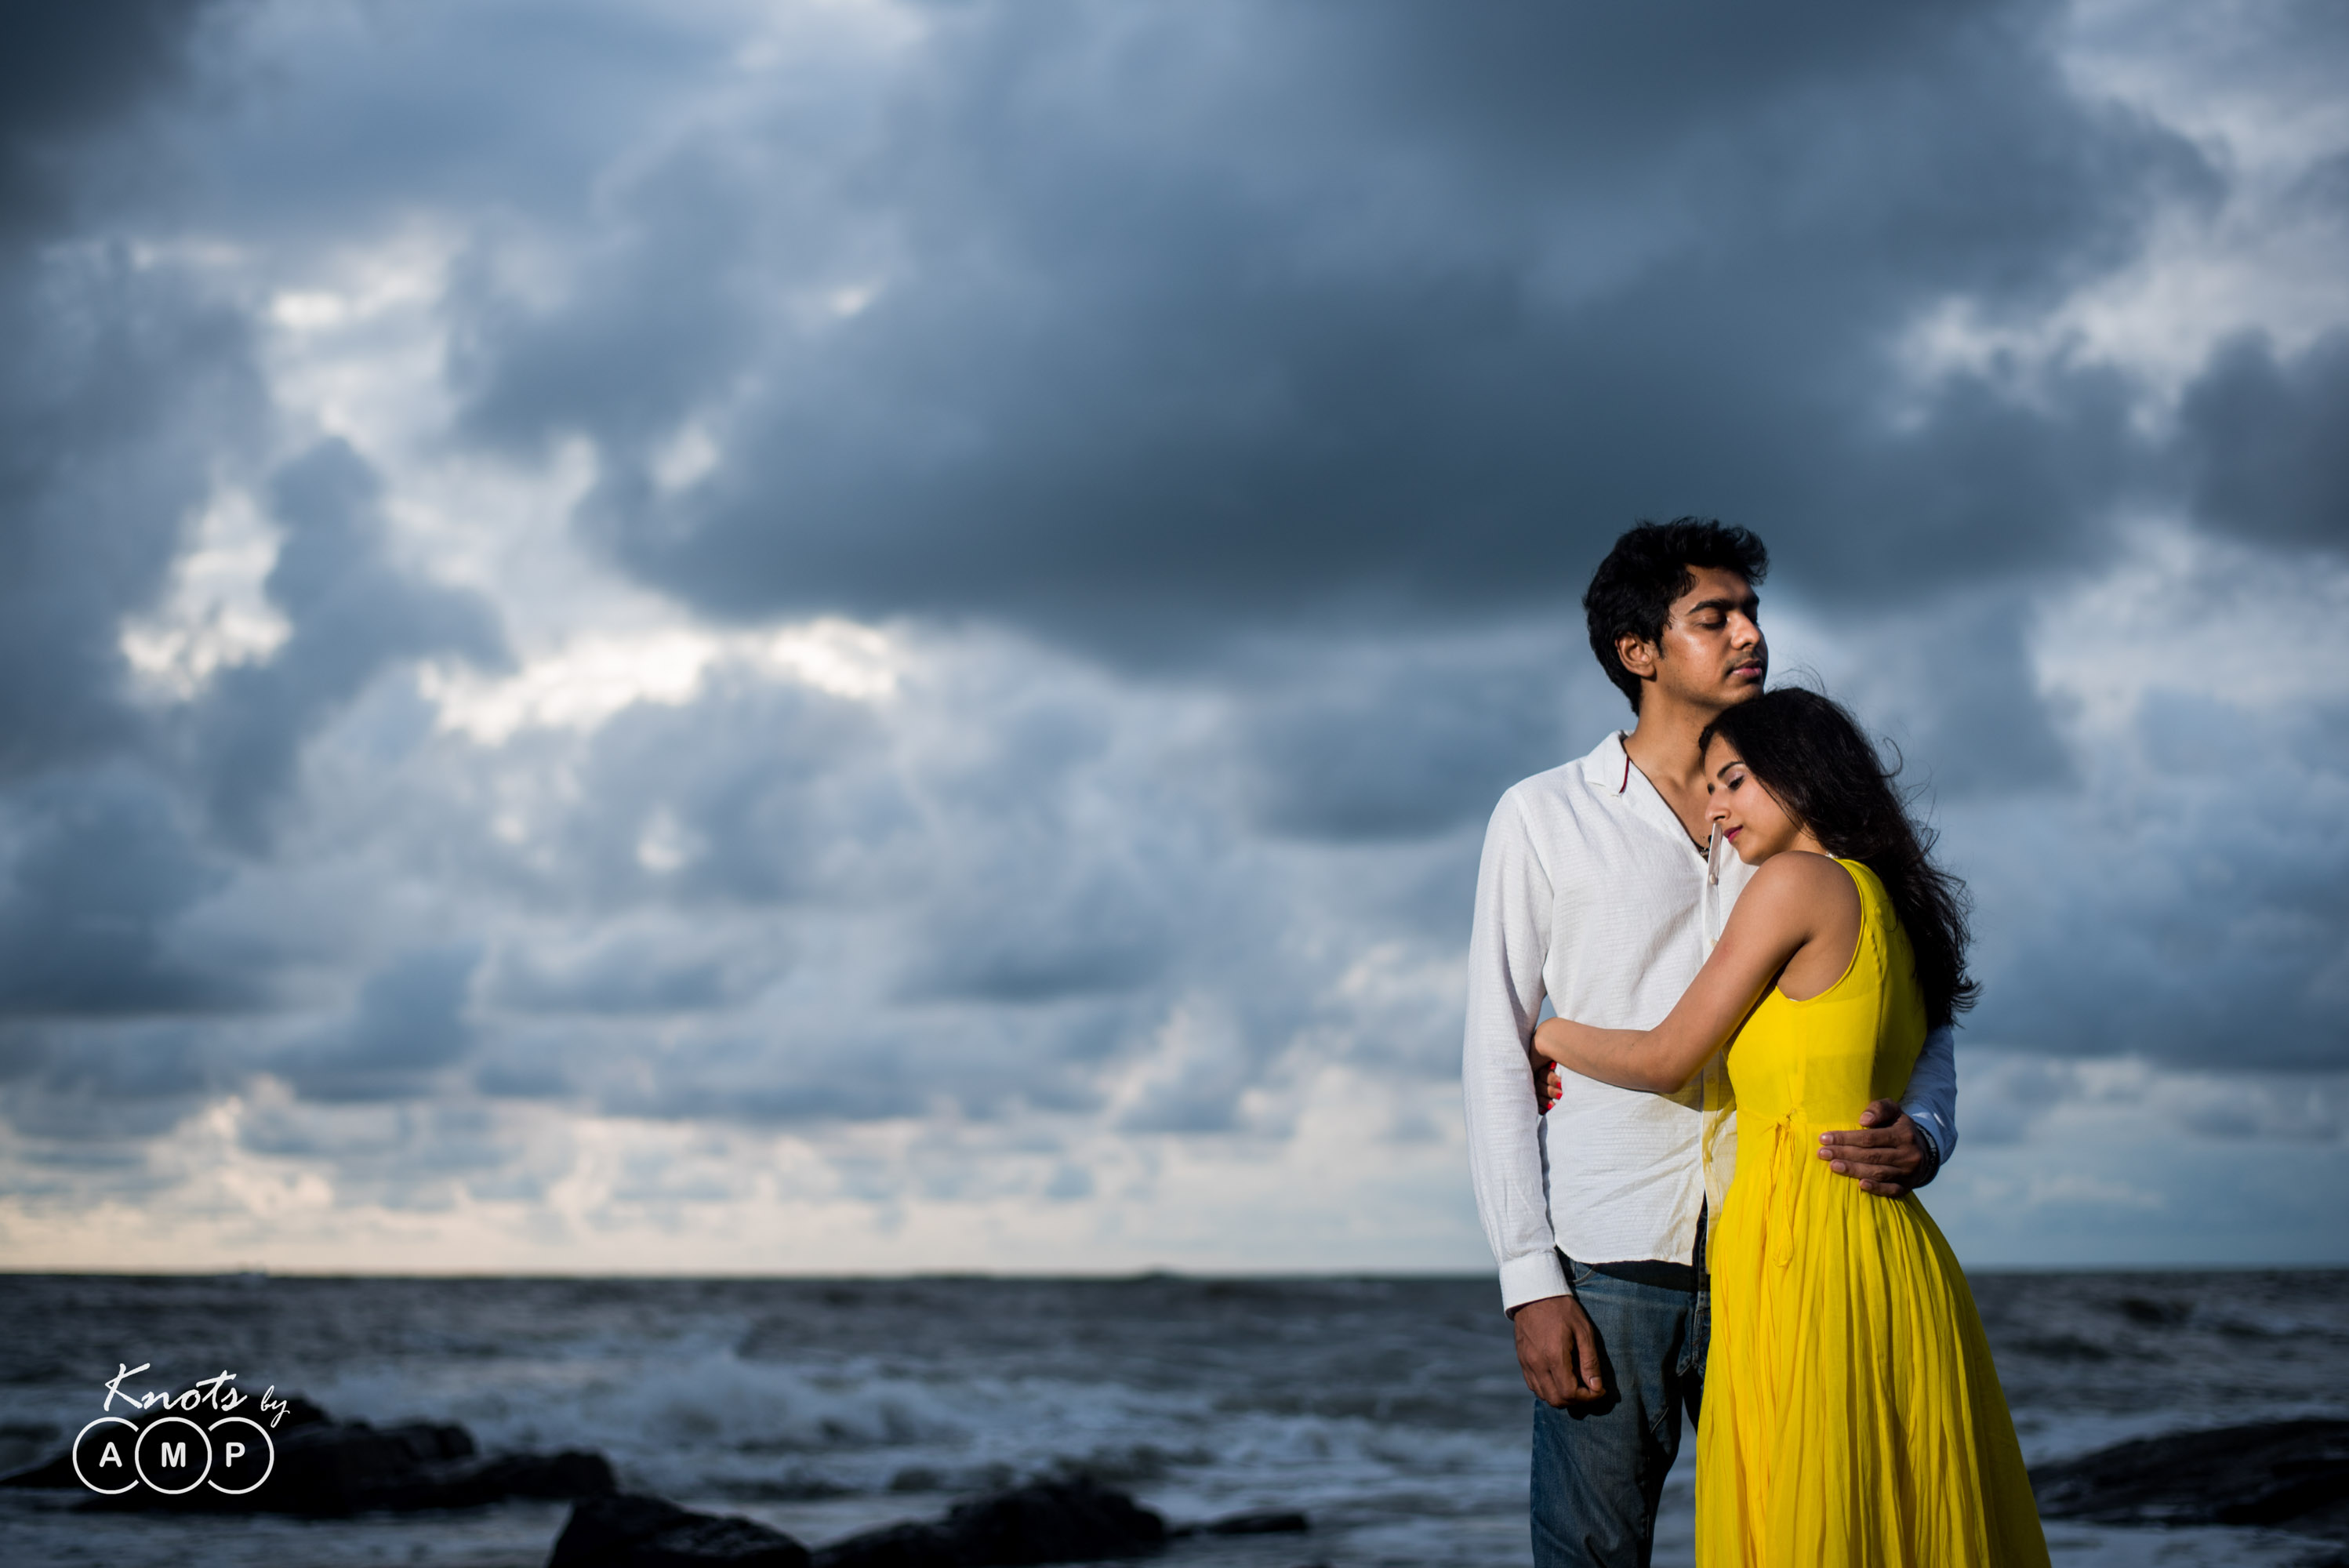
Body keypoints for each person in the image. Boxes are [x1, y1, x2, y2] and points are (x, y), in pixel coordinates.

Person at [1460, 518, 1959, 1568]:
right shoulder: (1544, 816)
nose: (1750, 636)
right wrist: (1528, 1278)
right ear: (1638, 652)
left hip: (1777, 1250)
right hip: (1611, 1257)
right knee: (1592, 1557)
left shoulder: (1800, 822)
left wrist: (1927, 1127)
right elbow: (1496, 1053)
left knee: (1798, 1542)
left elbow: (1906, 995)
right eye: (1714, 616)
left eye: (1754, 612)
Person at [1530, 687, 2048, 1566]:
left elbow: (1666, 1056)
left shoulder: (1792, 882)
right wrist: (1924, 1130)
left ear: (1802, 777)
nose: (1715, 805)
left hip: (1801, 1245)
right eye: (1708, 785)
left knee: (1809, 1526)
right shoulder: (1890, 900)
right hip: (1881, 1244)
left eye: (1732, 780)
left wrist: (1543, 1030)